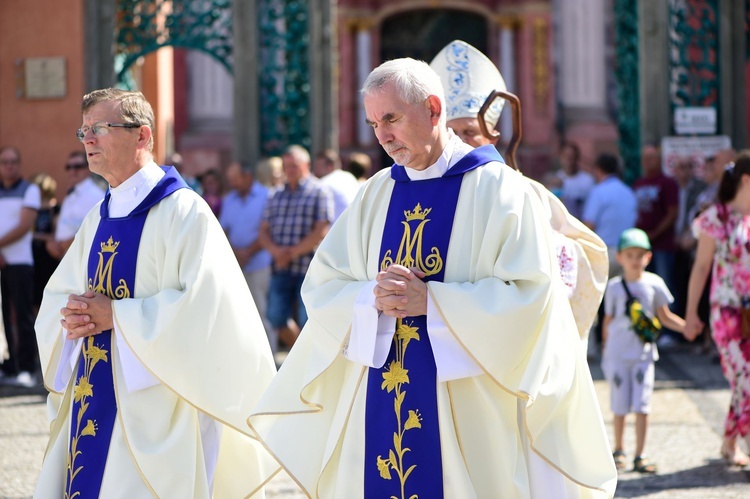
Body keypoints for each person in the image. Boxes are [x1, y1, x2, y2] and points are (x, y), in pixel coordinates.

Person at [248, 58, 616, 497]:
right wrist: (370, 297)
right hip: (381, 397)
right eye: (373, 123)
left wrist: (435, 304)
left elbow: (531, 296)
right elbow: (324, 285)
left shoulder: (500, 190)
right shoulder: (376, 193)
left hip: (466, 404)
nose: (382, 135)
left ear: (434, 110)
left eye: (391, 118)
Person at [34, 88, 277, 498]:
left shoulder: (184, 211)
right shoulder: (99, 215)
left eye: (100, 129)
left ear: (142, 136)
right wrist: (70, 314)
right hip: (96, 387)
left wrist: (119, 317)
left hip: (160, 403)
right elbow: (60, 291)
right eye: (84, 131)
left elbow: (207, 310)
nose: (88, 140)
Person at [429, 39, 609, 350]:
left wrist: (546, 253)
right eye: (452, 133)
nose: (459, 141)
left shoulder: (522, 190)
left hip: (508, 334)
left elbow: (583, 250)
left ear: (492, 136)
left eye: (469, 132)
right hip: (443, 332)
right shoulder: (427, 191)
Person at [602, 228, 687, 474]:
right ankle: (619, 449)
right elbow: (608, 320)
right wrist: (606, 348)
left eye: (640, 254)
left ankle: (640, 453)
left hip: (643, 354)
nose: (635, 260)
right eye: (630, 254)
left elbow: (665, 316)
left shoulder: (654, 283)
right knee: (619, 404)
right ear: (620, 257)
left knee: (642, 404)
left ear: (648, 257)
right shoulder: (614, 287)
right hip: (618, 354)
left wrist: (686, 328)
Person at [685, 151, 750, 467]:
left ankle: (728, 443)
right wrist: (690, 313)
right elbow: (700, 267)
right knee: (746, 378)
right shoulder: (715, 218)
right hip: (726, 314)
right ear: (746, 180)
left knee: (743, 381)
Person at [258, 145, 333, 348]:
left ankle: (308, 360)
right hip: (281, 268)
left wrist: (289, 254)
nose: (288, 169)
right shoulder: (276, 194)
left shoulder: (319, 191)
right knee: (275, 317)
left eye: (293, 165)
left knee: (308, 320)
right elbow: (263, 231)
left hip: (308, 269)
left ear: (306, 165)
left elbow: (322, 230)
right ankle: (303, 355)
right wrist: (276, 252)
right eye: (285, 166)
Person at [221, 161, 275, 353]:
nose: (233, 184)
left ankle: (270, 358)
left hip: (259, 264)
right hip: (235, 266)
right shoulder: (229, 199)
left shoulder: (266, 196)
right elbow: (223, 230)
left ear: (247, 176)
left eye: (235, 179)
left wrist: (248, 253)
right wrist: (236, 253)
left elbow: (268, 230)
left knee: (261, 313)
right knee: (237, 315)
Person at [0, 146, 41, 388]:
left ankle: (27, 369)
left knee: (23, 316)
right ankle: (13, 366)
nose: (9, 166)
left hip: (21, 263)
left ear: (19, 164)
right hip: (4, 264)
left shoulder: (30, 190)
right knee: (6, 318)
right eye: (4, 162)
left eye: (13, 161)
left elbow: (25, 226)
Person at [583, 153, 638, 278]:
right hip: (627, 253)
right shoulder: (629, 192)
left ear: (598, 170)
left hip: (604, 253)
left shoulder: (598, 191)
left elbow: (589, 225)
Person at [47, 151, 105, 260]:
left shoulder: (97, 195)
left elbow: (96, 228)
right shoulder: (71, 195)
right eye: (68, 167)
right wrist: (53, 243)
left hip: (83, 258)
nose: (72, 171)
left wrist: (67, 243)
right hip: (66, 257)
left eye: (77, 166)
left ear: (89, 167)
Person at [31, 172, 60, 312]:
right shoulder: (32, 208)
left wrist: (34, 235)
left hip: (48, 256)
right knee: (34, 297)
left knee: (46, 295)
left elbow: (55, 235)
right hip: (33, 256)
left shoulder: (54, 209)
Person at [313, 149, 361, 221]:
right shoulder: (350, 177)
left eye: (318, 166)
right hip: (356, 226)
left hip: (338, 229)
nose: (315, 170)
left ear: (330, 166)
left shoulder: (324, 184)